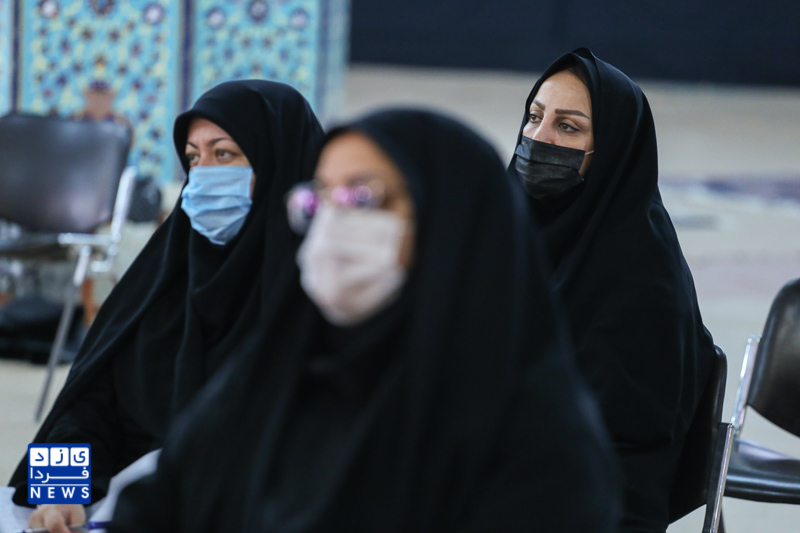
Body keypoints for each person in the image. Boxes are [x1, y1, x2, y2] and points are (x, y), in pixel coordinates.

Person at [107, 108, 619, 532]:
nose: (333, 223)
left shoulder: (534, 438)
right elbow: (92, 431)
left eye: (363, 197)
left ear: (448, 222)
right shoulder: (277, 357)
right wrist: (65, 489)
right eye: (320, 197)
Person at [8, 80, 325, 532]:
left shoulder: (323, 304)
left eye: (225, 154)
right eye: (193, 158)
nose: (204, 175)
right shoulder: (162, 281)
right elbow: (85, 410)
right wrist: (61, 491)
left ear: (280, 164)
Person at [509, 48, 716, 533]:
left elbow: (620, 439)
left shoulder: (642, 276)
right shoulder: (506, 235)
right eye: (535, 117)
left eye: (567, 127)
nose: (538, 137)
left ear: (614, 150)